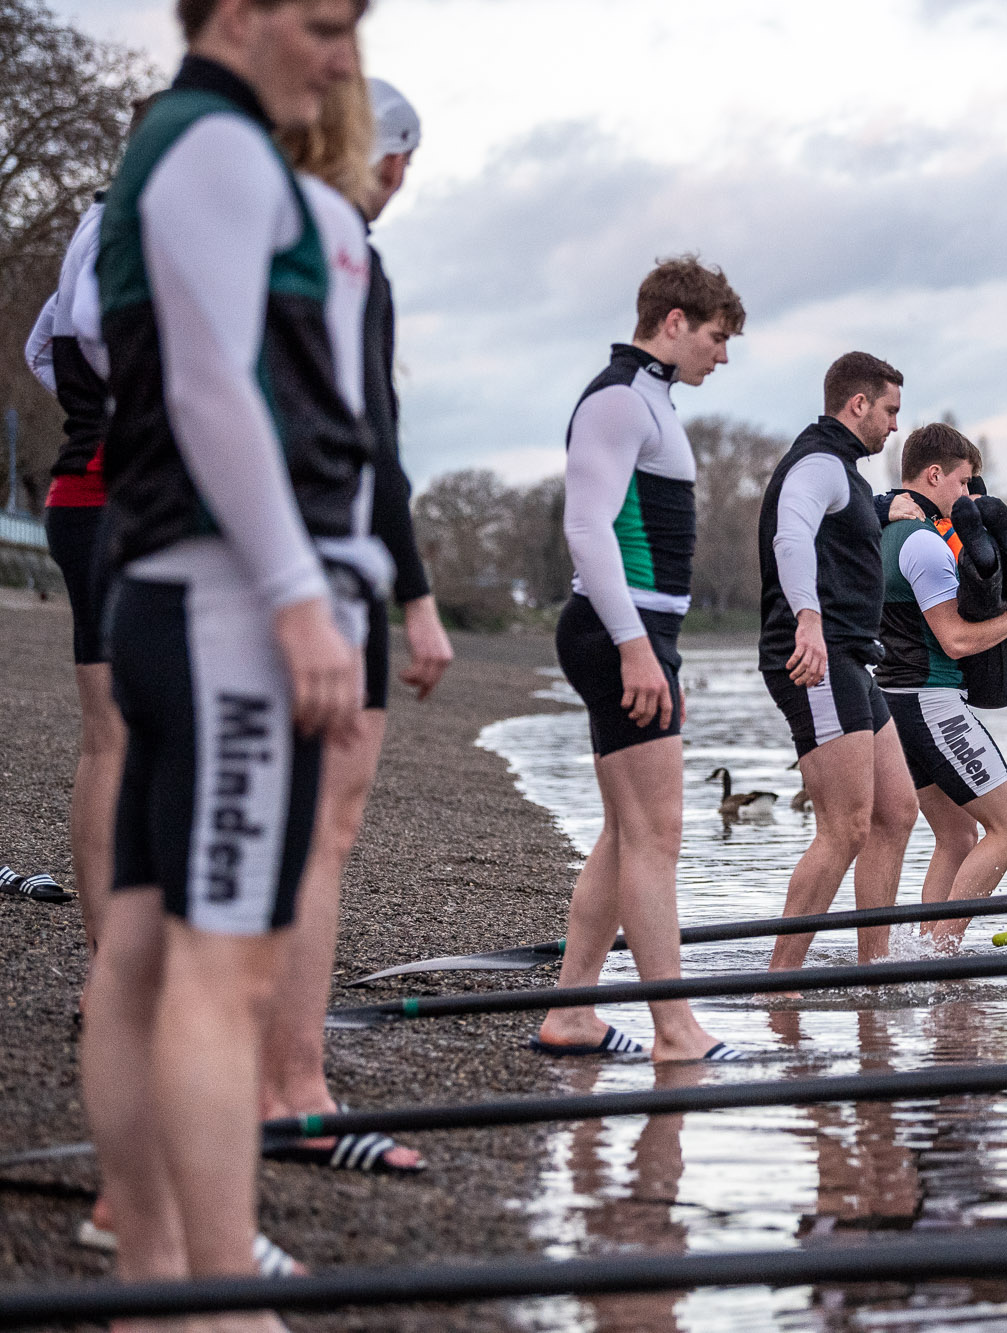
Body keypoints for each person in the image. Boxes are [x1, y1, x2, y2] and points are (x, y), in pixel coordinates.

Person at [85, 0, 378, 1311]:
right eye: (323, 23)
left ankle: (155, 1273)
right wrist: (298, 597)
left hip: (176, 591)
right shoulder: (215, 146)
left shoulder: (179, 143)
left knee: (148, 951)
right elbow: (210, 384)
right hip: (223, 608)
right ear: (242, 15)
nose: (341, 54)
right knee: (222, 968)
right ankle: (216, 1295)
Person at [254, 73, 450, 1174]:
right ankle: (295, 1088)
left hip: (240, 560)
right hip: (317, 572)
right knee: (318, 840)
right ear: (387, 161)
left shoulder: (249, 223)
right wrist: (414, 597)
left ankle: (262, 1078)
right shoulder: (344, 253)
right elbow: (370, 436)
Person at [532, 255, 745, 1063]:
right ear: (674, 322)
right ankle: (674, 1025)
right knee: (657, 834)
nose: (721, 357)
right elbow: (586, 529)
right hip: (621, 632)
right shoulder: (620, 399)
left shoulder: (648, 399)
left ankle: (573, 1011)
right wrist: (635, 648)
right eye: (718, 338)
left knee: (628, 833)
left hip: (636, 634)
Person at [19, 99, 158, 959]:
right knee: (131, 737)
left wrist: (89, 414)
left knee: (112, 737)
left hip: (84, 491)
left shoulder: (92, 226)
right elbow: (110, 338)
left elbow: (45, 345)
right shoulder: (131, 227)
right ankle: (119, 968)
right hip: (121, 500)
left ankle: (117, 963)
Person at [758, 352, 919, 974]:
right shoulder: (819, 462)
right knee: (845, 827)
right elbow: (792, 534)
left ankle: (871, 968)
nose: (894, 426)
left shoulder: (842, 471)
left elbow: (835, 529)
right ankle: (781, 983)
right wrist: (808, 619)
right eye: (890, 410)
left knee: (895, 812)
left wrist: (882, 510)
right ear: (858, 405)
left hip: (849, 658)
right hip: (814, 658)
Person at [876, 424, 1007, 950]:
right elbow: (955, 640)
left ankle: (924, 951)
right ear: (934, 475)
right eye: (963, 482)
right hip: (930, 702)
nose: (969, 496)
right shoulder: (925, 544)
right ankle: (942, 953)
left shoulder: (883, 532)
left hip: (893, 708)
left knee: (956, 837)